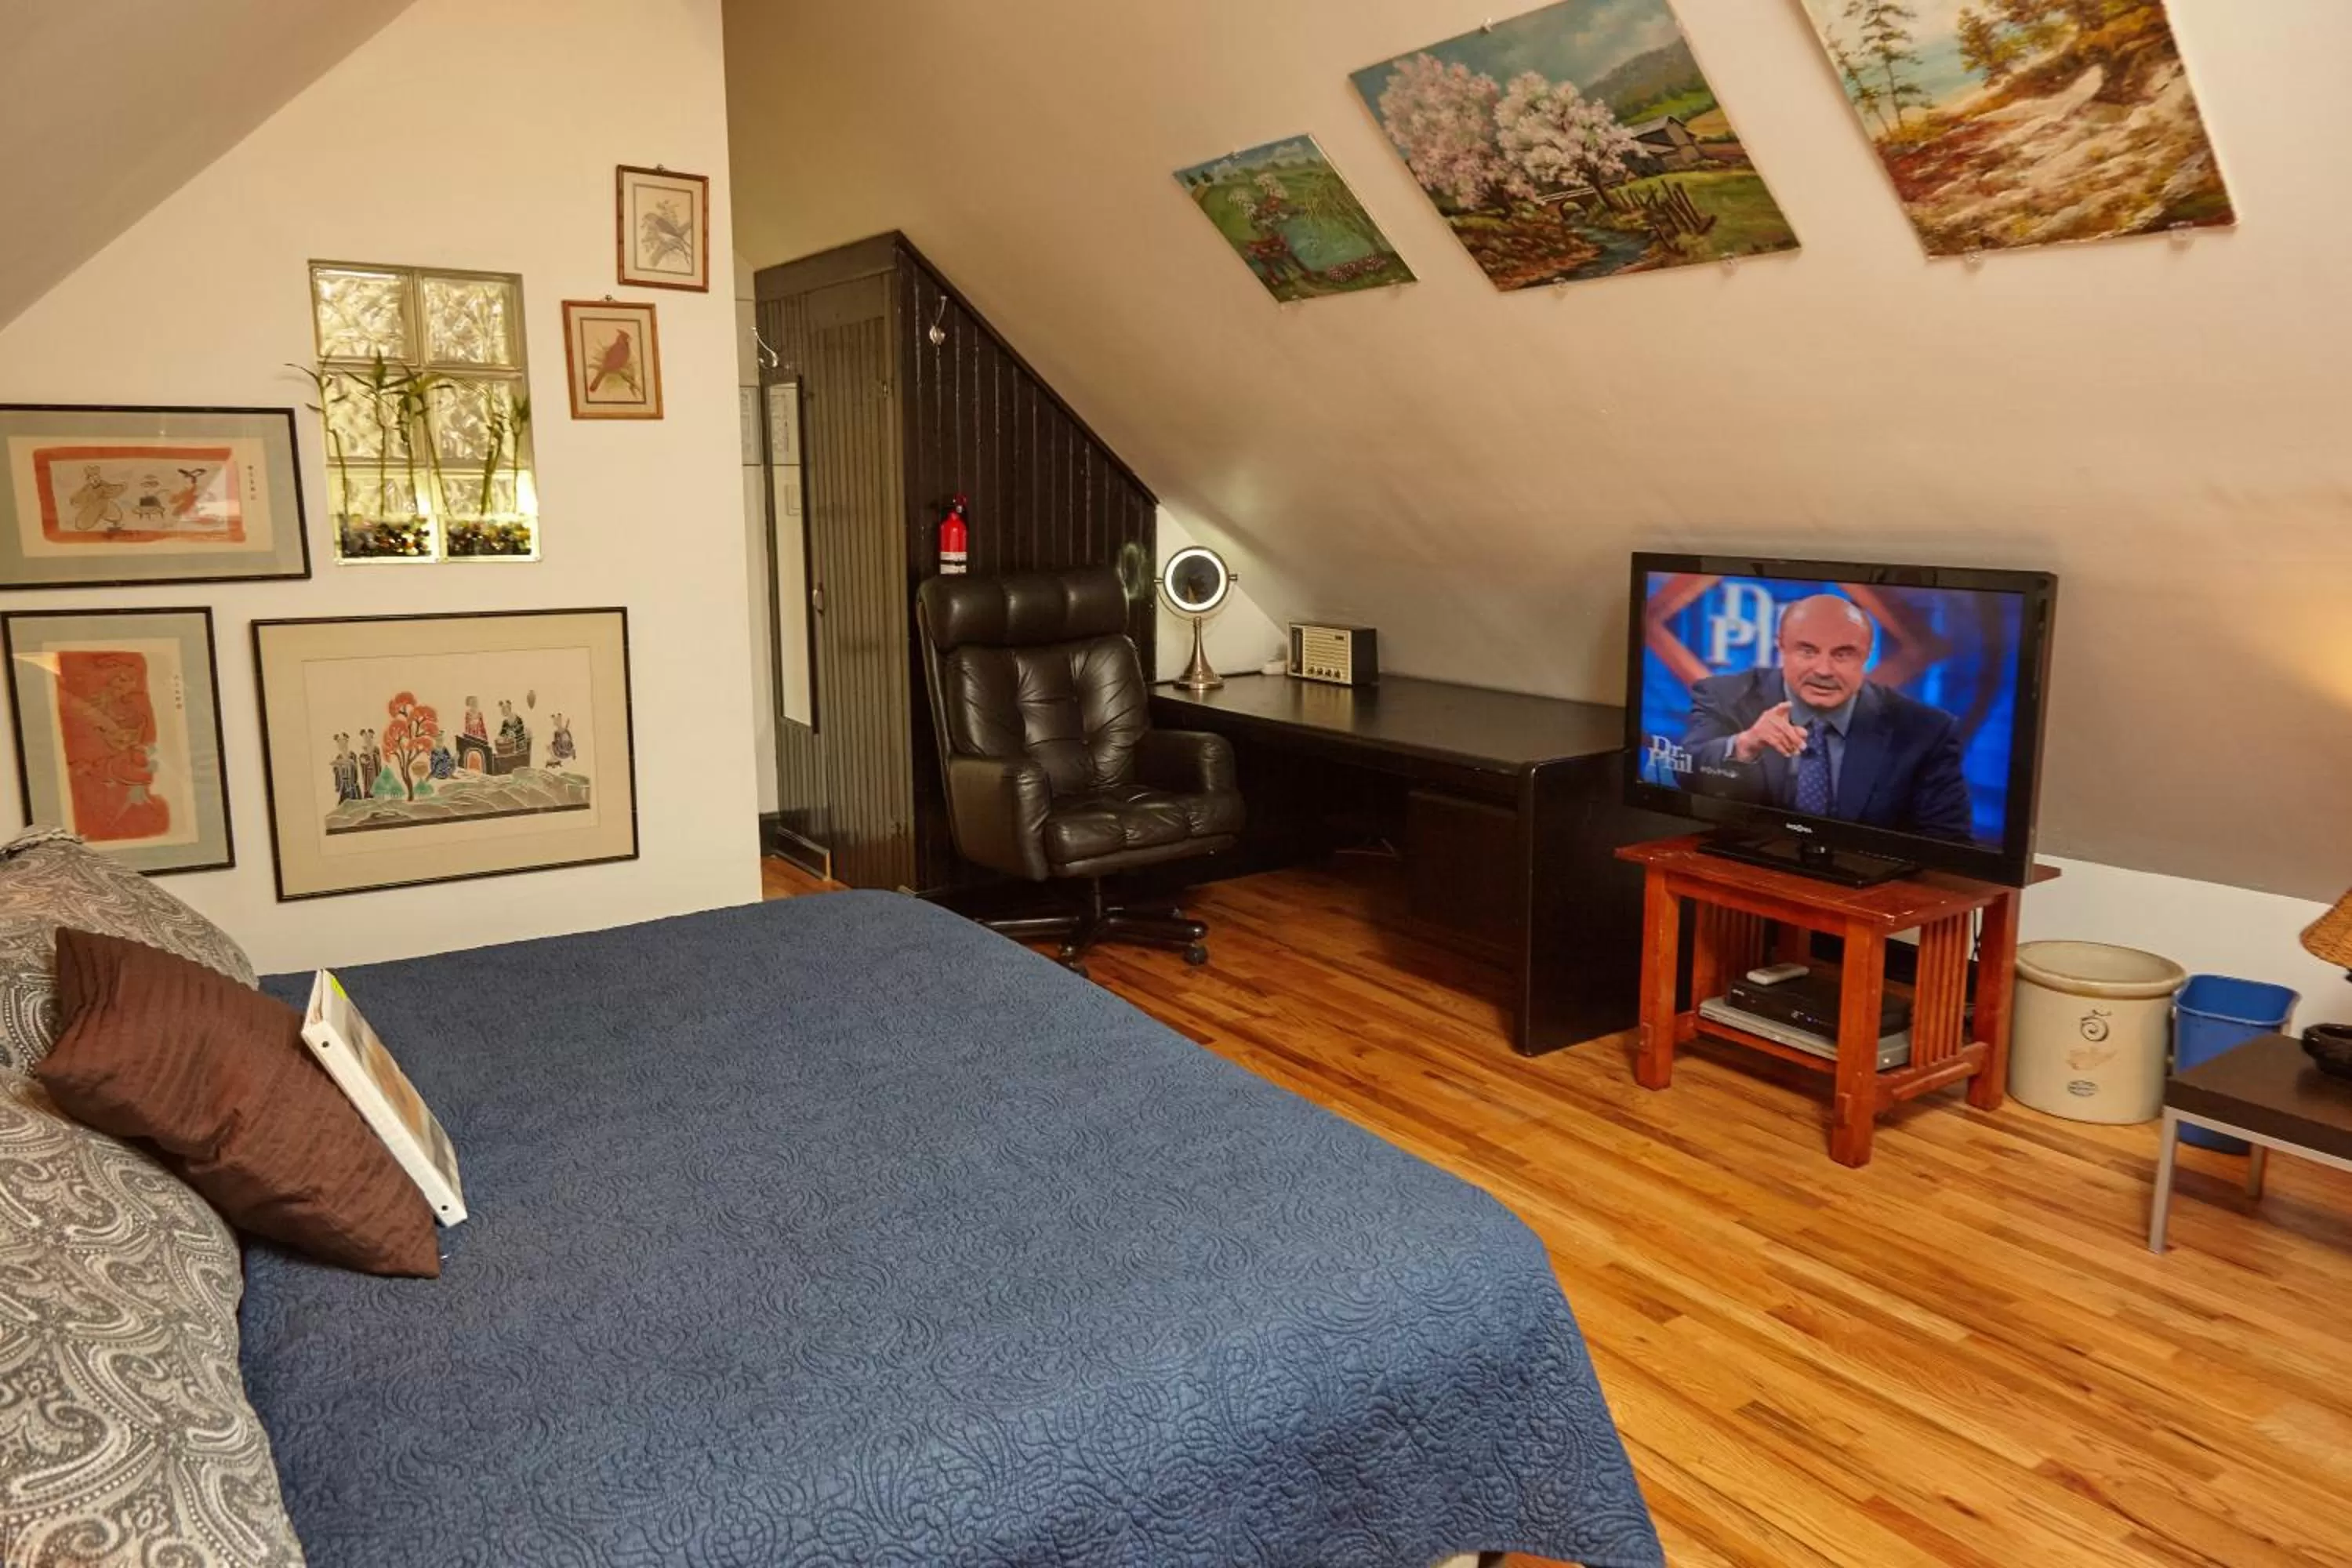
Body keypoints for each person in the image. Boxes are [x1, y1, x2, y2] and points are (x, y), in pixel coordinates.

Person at [1682, 593, 1973, 840]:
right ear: (1781, 646)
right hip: (1747, 872)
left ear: (1867, 655)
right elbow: (1687, 774)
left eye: (1843, 654)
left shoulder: (1925, 731)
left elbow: (1948, 844)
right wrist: (1746, 744)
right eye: (1807, 651)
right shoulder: (1724, 696)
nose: (1823, 670)